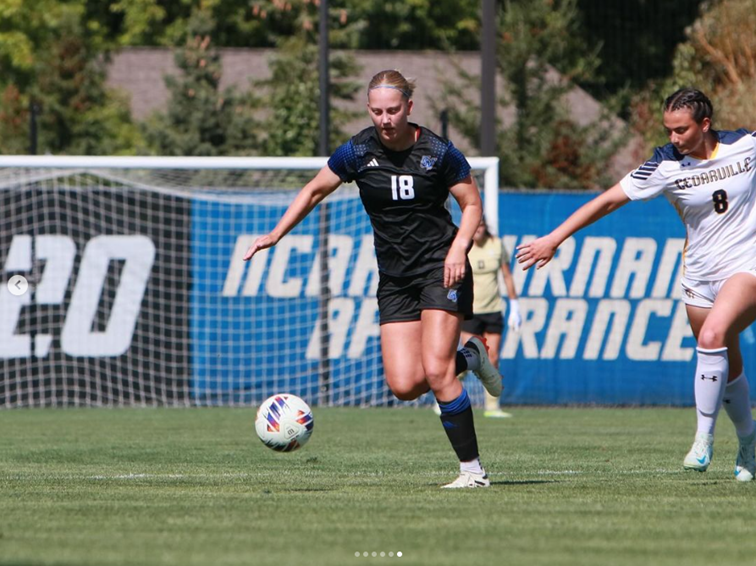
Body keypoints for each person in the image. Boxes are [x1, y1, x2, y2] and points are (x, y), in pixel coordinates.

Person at [243, 69, 503, 488]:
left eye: (394, 110)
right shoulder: (357, 152)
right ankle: (471, 357)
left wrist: (459, 249)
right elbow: (312, 190)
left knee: (437, 373)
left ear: (409, 108)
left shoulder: (438, 152)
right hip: (395, 279)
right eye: (378, 111)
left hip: (441, 267)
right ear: (369, 110)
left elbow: (471, 204)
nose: (385, 119)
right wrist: (276, 233)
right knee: (403, 385)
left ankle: (472, 473)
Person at [516, 87, 756, 481]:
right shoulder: (664, 164)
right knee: (726, 358)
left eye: (681, 130)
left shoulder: (746, 145)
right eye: (669, 129)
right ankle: (748, 440)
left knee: (712, 335)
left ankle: (703, 438)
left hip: (746, 267)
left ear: (706, 124)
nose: (673, 138)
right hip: (698, 275)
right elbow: (608, 201)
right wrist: (553, 238)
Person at [460, 218, 522, 418]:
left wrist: (514, 306)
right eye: (474, 226)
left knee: (492, 357)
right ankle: (445, 396)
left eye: (480, 226)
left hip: (493, 310)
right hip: (470, 310)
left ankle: (492, 406)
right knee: (470, 356)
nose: (477, 230)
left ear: (485, 227)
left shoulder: (496, 244)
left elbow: (507, 275)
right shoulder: (463, 244)